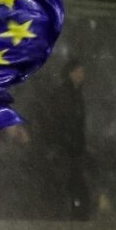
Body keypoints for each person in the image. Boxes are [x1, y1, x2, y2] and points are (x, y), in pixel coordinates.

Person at [33, 58, 92, 220]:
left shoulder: (75, 95)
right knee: (68, 183)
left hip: (70, 147)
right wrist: (65, 142)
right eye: (79, 71)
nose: (82, 75)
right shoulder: (65, 95)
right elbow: (63, 121)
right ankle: (72, 215)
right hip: (65, 147)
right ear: (71, 73)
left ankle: (74, 215)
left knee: (72, 183)